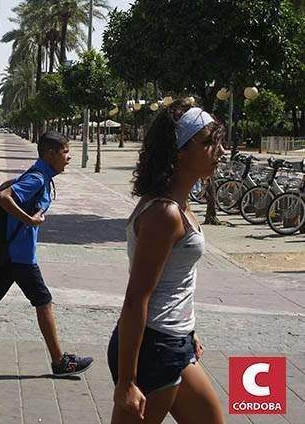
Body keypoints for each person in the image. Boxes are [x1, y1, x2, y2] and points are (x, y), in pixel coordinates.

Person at [108, 101, 226, 424]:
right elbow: (136, 299)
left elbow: (175, 281)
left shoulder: (178, 204)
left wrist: (189, 330)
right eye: (208, 143)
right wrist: (126, 382)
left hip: (175, 342)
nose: (220, 150)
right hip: (154, 349)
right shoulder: (165, 213)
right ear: (180, 152)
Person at [0, 131, 94, 377]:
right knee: (43, 302)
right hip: (20, 257)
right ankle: (60, 361)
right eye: (65, 152)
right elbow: (4, 196)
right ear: (50, 154)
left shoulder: (39, 173)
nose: (69, 157)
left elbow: (5, 188)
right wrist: (29, 220)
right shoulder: (38, 178)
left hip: (11, 255)